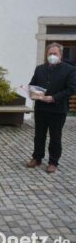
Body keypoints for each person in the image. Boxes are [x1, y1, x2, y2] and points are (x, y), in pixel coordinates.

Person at [27, 42, 76, 173]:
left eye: (55, 54)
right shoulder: (40, 69)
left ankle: (53, 162)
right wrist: (32, 92)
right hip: (41, 108)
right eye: (50, 54)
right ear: (46, 54)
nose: (52, 56)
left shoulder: (69, 70)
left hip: (57, 109)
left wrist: (54, 97)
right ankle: (37, 158)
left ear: (60, 55)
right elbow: (33, 84)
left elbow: (71, 89)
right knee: (39, 135)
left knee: (55, 136)